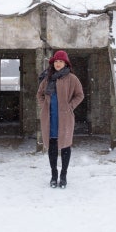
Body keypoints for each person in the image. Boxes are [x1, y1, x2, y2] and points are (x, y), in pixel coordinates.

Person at [37, 50, 84, 189]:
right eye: (56, 61)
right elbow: (39, 94)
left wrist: (70, 107)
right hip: (50, 117)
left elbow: (79, 95)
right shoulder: (47, 78)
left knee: (65, 145)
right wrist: (44, 105)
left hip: (65, 117)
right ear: (53, 63)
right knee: (52, 145)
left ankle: (63, 175)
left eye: (61, 61)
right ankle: (54, 175)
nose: (58, 64)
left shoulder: (72, 79)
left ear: (65, 63)